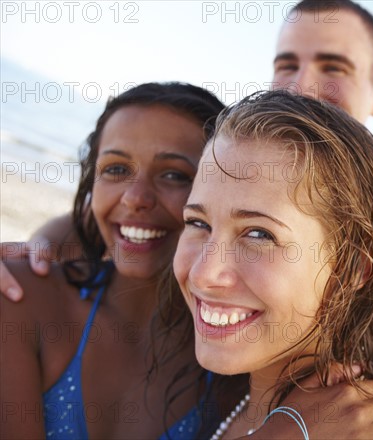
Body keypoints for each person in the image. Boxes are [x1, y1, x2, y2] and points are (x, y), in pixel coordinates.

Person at [1, 0, 373, 304]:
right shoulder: (238, 166)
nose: (303, 84)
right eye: (287, 64)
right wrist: (42, 245)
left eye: (333, 67)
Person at [173, 89, 373, 439]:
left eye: (259, 234)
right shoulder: (230, 398)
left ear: (351, 271)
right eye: (199, 223)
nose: (203, 273)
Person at [0, 82, 226, 438]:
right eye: (116, 169)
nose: (135, 197)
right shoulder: (17, 296)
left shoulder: (238, 357)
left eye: (174, 175)